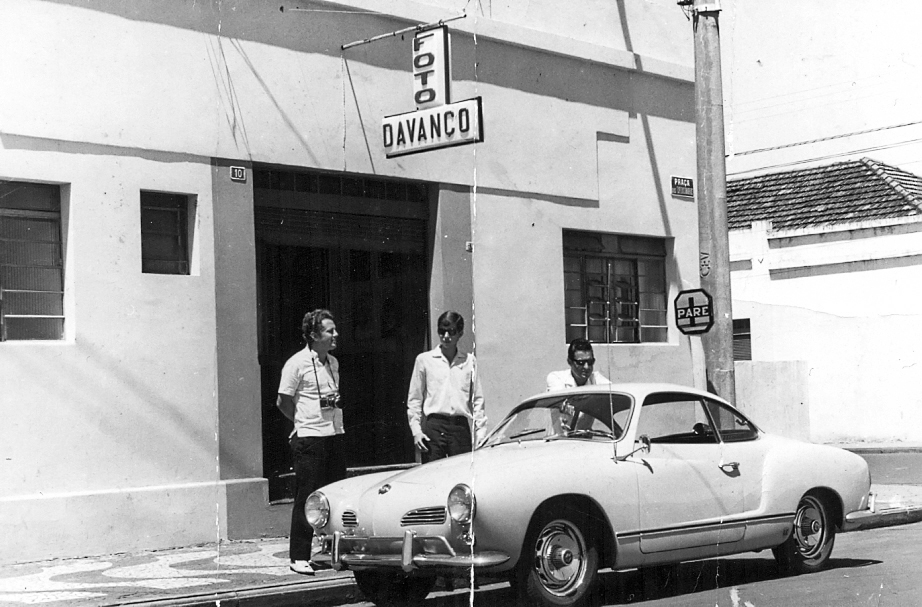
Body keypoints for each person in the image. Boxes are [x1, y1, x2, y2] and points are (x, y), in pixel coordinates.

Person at [276, 309, 345, 576]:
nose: (335, 334)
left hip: (334, 433)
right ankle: (299, 556)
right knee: (307, 496)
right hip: (310, 437)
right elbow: (283, 399)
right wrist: (300, 422)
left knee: (335, 495)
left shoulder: (333, 362)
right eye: (330, 330)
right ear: (315, 335)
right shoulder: (296, 363)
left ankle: (332, 549)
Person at [407, 311, 487, 462]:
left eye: (451, 332)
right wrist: (416, 431)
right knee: (433, 475)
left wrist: (480, 434)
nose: (446, 336)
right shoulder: (424, 360)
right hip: (434, 427)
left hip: (459, 428)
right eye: (441, 331)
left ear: (460, 333)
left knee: (460, 475)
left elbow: (477, 400)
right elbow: (415, 399)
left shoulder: (469, 361)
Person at [546, 337, 610, 391]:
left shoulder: (597, 380)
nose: (586, 367)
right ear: (570, 362)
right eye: (581, 363)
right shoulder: (557, 378)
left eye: (590, 362)